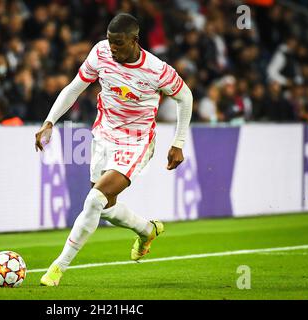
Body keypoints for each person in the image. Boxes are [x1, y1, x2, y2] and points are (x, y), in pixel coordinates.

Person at [34, 13, 193, 286]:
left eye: (119, 43)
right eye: (110, 42)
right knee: (104, 207)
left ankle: (58, 267)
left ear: (134, 40)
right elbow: (74, 88)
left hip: (136, 141)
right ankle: (146, 230)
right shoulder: (101, 53)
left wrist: (178, 142)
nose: (113, 48)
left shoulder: (156, 70)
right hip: (103, 135)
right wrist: (49, 121)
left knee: (94, 199)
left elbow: (185, 96)